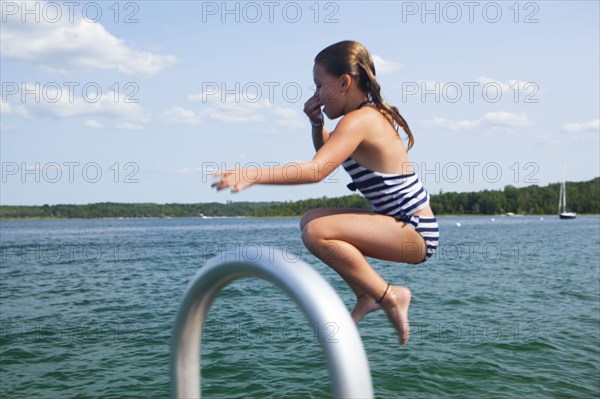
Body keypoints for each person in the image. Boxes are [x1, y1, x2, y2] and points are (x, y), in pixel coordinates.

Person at [212, 40, 439, 345]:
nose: (316, 94)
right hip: (397, 222)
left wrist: (253, 174)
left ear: (344, 82)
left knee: (316, 232)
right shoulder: (363, 117)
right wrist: (316, 123)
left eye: (319, 85)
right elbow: (330, 152)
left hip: (415, 231)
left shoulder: (361, 120)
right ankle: (367, 294)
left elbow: (317, 170)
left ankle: (389, 295)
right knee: (310, 220)